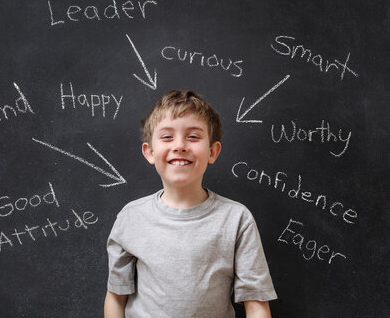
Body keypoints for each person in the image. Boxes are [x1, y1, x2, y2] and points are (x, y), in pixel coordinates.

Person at [104, 90, 277, 318]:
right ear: (150, 152)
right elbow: (116, 296)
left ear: (212, 152)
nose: (180, 145)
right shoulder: (131, 217)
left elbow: (255, 302)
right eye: (167, 137)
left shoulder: (236, 219)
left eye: (193, 137)